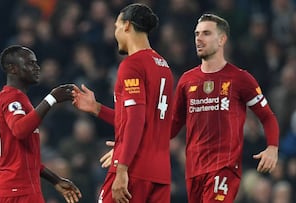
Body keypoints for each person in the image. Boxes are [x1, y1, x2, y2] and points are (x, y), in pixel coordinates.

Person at [170, 14, 279, 203]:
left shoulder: (240, 79)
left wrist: (272, 147)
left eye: (206, 33)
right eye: (197, 34)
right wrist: (139, 142)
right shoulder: (186, 81)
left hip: (224, 167)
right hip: (193, 170)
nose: (199, 39)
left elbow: (267, 117)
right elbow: (172, 125)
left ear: (222, 39)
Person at [72, 3, 174, 203]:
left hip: (135, 170)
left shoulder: (132, 65)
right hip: (161, 173)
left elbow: (136, 120)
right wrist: (97, 108)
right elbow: (148, 120)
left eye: (116, 27)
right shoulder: (164, 67)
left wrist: (122, 166)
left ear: (127, 26)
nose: (115, 33)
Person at [0, 45, 81, 203]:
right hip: (15, 192)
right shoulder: (11, 98)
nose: (37, 68)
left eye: (36, 63)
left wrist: (55, 180)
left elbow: (26, 159)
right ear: (13, 69)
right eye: (30, 63)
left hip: (20, 189)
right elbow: (20, 130)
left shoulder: (19, 99)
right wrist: (51, 99)